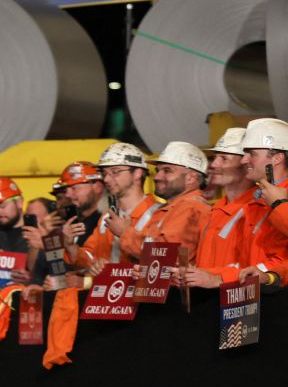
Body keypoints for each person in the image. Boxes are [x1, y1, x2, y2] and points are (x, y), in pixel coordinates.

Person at [113, 141, 211, 268]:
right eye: (157, 170)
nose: (157, 177)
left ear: (191, 178)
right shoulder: (171, 208)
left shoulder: (190, 208)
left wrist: (125, 232)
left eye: (167, 171)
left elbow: (166, 254)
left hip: (173, 287)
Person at [182, 128, 256, 287]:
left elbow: (258, 266)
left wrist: (216, 278)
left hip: (238, 303)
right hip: (209, 301)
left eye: (224, 158)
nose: (214, 164)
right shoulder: (215, 209)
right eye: (215, 158)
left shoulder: (258, 208)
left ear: (246, 164)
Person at [72, 142, 160, 269]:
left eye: (115, 171)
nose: (106, 179)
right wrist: (70, 246)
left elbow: (160, 262)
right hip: (111, 288)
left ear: (137, 174)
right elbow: (89, 256)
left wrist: (125, 233)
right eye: (104, 173)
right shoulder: (106, 218)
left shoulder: (158, 215)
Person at [235, 119, 288, 287]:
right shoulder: (255, 199)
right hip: (255, 296)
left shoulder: (274, 200)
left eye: (252, 154)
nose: (243, 160)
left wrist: (279, 204)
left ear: (278, 158)